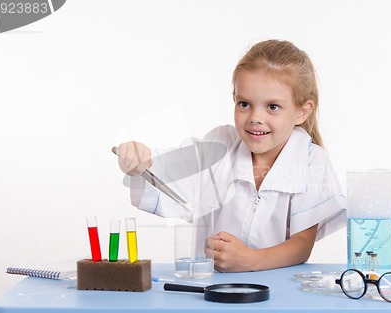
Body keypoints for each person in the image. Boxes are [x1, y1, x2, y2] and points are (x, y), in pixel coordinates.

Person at [114, 39, 346, 272]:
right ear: (234, 98)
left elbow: (301, 246)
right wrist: (139, 160)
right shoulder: (219, 145)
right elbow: (168, 170)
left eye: (273, 107)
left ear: (302, 111)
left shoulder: (310, 160)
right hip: (211, 288)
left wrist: (250, 260)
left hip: (276, 292)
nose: (255, 117)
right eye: (244, 104)